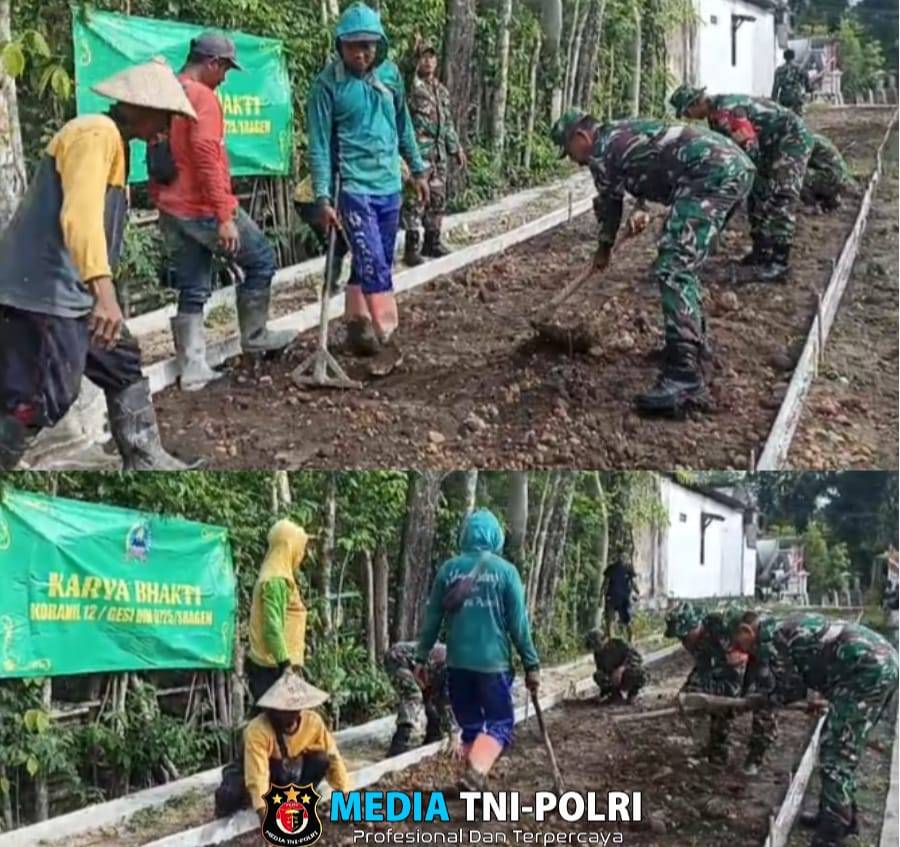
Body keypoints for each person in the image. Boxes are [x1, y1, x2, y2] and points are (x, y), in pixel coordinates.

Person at [0, 58, 204, 471]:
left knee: (121, 359)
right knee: (38, 398)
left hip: (72, 295)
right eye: (165, 117)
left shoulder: (114, 142)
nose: (167, 128)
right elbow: (80, 217)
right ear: (142, 108)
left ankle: (144, 457)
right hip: (45, 296)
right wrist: (105, 294)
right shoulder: (95, 134)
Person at [550, 109, 755, 417]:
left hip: (710, 174)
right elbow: (646, 167)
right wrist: (641, 209)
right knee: (684, 261)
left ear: (582, 138)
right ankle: (691, 347)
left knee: (674, 266)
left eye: (570, 152)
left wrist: (604, 248)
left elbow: (609, 203)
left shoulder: (602, 152)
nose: (574, 161)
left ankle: (684, 376)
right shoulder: (619, 134)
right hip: (729, 167)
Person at [150, 33, 295, 393]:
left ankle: (193, 367)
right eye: (226, 68)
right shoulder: (202, 97)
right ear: (212, 63)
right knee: (261, 259)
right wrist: (225, 215)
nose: (226, 76)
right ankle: (256, 335)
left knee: (193, 284)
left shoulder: (165, 92)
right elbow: (205, 158)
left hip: (171, 207)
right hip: (202, 207)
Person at [307, 2, 430, 376]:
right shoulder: (327, 86)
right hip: (353, 187)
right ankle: (389, 339)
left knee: (373, 260)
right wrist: (323, 197)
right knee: (374, 261)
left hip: (389, 185)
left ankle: (358, 327)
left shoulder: (390, 77)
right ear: (340, 45)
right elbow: (319, 145)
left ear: (380, 46)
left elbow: (403, 126)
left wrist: (419, 169)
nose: (362, 53)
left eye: (369, 46)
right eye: (354, 46)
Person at [731, 610, 898, 847]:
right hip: (876, 663)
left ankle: (831, 835)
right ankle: (839, 817)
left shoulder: (772, 639)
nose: (739, 651)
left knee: (837, 755)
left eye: (739, 643)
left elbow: (790, 689)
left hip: (867, 672)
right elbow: (807, 668)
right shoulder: (779, 626)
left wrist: (764, 699)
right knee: (839, 747)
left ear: (747, 631)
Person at [416, 508, 541, 791]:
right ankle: (475, 776)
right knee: (499, 723)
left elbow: (432, 619)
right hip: (493, 664)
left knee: (471, 723)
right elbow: (518, 625)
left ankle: (474, 781)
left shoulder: (448, 570)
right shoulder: (506, 572)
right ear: (496, 537)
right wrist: (531, 664)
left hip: (458, 664)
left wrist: (420, 657)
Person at [669, 85, 814, 282]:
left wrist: (751, 177)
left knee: (782, 195)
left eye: (687, 111)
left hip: (791, 139)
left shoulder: (727, 112)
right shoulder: (714, 116)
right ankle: (761, 252)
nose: (688, 117)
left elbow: (749, 146)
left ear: (697, 103)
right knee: (755, 195)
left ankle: (779, 263)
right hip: (770, 143)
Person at [217, 670, 352, 820]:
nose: (291, 713)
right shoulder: (257, 730)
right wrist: (264, 814)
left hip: (286, 771)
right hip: (255, 771)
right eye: (285, 710)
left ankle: (296, 803)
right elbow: (258, 774)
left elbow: (333, 757)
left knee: (321, 759)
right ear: (274, 709)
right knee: (230, 794)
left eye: (294, 708)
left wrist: (345, 794)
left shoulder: (313, 723)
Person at [665, 602, 776, 773]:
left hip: (759, 658)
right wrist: (687, 692)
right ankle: (717, 753)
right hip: (733, 666)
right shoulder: (699, 642)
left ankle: (756, 755)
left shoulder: (723, 629)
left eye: (686, 636)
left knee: (761, 701)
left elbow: (735, 672)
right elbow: (702, 669)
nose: (684, 642)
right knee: (716, 699)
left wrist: (730, 696)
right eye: (681, 638)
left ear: (697, 626)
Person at [293, 157, 413, 294]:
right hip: (311, 200)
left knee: (344, 240)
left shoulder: (382, 160)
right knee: (344, 240)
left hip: (315, 197)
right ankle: (338, 286)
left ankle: (341, 284)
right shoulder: (373, 164)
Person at [400, 40, 466, 266]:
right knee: (415, 200)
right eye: (423, 57)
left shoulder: (441, 91)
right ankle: (411, 248)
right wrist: (412, 52)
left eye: (431, 56)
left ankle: (433, 241)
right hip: (418, 154)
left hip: (438, 154)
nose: (428, 61)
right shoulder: (411, 86)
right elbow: (406, 69)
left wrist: (456, 148)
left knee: (437, 198)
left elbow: (447, 124)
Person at [247, 520, 310, 711]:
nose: (302, 554)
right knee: (277, 724)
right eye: (301, 548)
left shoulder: (275, 574)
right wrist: (286, 666)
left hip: (273, 665)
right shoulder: (276, 580)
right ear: (289, 547)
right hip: (272, 667)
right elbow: (272, 626)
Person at [383, 640, 455, 756]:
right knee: (413, 695)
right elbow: (444, 700)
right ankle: (399, 743)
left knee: (429, 696)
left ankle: (433, 733)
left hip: (417, 666)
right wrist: (453, 733)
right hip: (397, 659)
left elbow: (438, 697)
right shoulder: (449, 666)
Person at [585, 631, 646, 703]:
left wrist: (622, 668)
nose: (596, 648)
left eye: (597, 644)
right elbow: (601, 670)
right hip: (614, 679)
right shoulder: (598, 654)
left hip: (627, 673)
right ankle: (615, 695)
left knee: (641, 673)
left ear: (604, 640)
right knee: (598, 675)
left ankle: (633, 694)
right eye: (593, 646)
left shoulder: (619, 643)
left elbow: (637, 658)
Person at [801, 133, 857, 211]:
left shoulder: (804, 142)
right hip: (841, 179)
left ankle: (811, 205)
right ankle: (831, 200)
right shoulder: (815, 137)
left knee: (797, 175)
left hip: (832, 178)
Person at [600, 559, 639, 642]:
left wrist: (637, 591)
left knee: (627, 621)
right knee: (610, 621)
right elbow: (605, 583)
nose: (621, 557)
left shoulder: (628, 568)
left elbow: (633, 582)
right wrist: (601, 597)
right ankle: (612, 642)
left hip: (624, 598)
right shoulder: (611, 568)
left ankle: (631, 640)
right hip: (612, 597)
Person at [772, 49, 813, 116]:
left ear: (784, 57)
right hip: (796, 97)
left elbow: (775, 88)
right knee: (797, 119)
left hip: (784, 98)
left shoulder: (779, 70)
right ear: (794, 57)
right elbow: (807, 85)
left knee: (784, 117)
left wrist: (773, 101)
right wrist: (809, 91)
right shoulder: (800, 69)